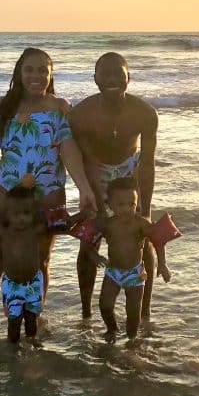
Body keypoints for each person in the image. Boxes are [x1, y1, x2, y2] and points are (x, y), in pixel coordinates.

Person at [0, 47, 96, 331]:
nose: (36, 75)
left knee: (40, 262)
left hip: (49, 192)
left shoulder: (59, 107)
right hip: (7, 193)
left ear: (50, 75)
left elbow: (69, 150)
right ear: (18, 73)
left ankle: (32, 322)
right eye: (29, 69)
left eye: (42, 70)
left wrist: (84, 188)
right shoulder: (3, 107)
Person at [69, 52, 159, 319]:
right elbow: (88, 164)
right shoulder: (81, 114)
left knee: (142, 234)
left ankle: (144, 310)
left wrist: (146, 207)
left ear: (128, 77)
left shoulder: (144, 113)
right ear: (94, 79)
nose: (112, 79)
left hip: (131, 166)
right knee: (90, 237)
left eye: (118, 74)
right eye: (104, 74)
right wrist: (96, 205)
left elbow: (147, 163)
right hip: (96, 168)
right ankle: (86, 312)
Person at [92, 177, 170, 340]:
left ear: (136, 203)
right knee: (105, 305)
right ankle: (112, 329)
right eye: (120, 205)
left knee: (133, 311)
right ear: (110, 205)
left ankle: (132, 338)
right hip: (113, 271)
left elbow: (158, 241)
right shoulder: (108, 224)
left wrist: (162, 264)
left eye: (131, 204)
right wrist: (94, 254)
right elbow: (90, 240)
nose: (127, 209)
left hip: (135, 273)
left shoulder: (140, 224)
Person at [0, 186, 50, 343]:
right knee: (13, 321)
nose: (21, 218)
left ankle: (32, 346)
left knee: (32, 319)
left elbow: (63, 223)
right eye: (16, 214)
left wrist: (83, 215)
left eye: (26, 213)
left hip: (34, 282)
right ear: (7, 214)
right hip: (12, 285)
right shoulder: (3, 231)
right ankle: (12, 350)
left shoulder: (36, 230)